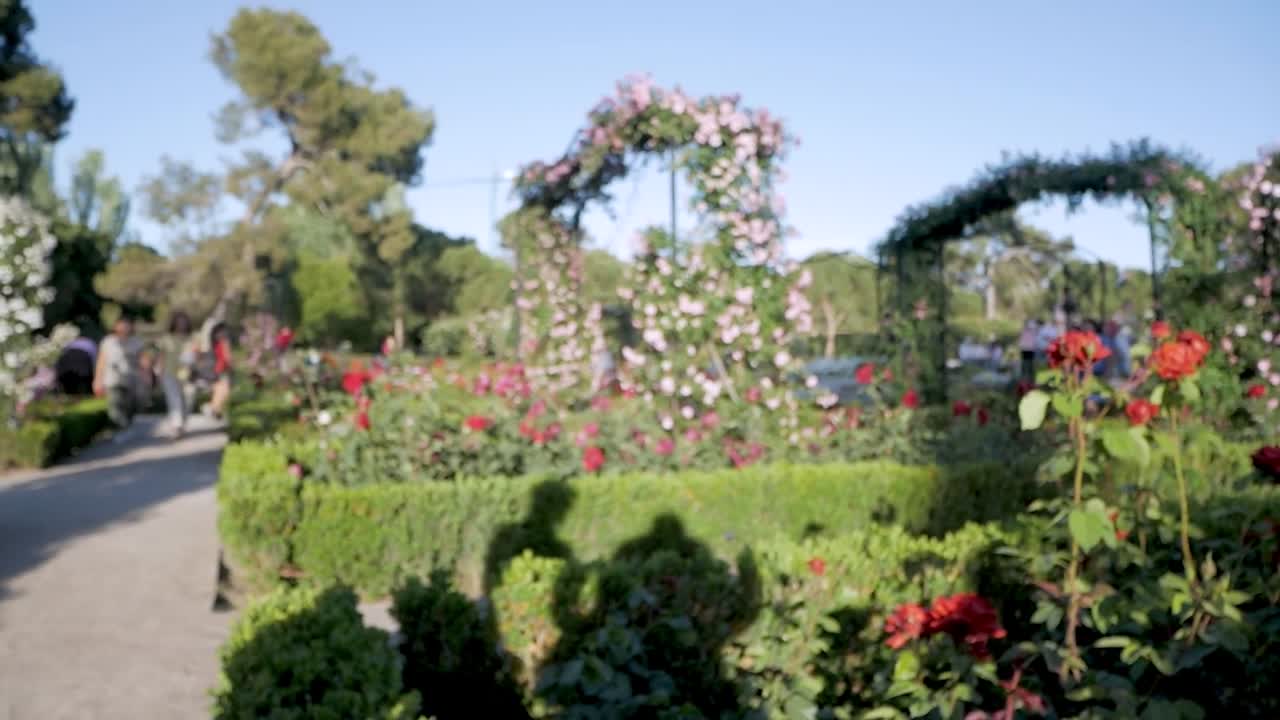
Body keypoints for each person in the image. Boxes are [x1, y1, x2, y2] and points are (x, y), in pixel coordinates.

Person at [94, 316, 139, 439]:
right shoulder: (108, 341)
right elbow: (101, 361)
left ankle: (126, 430)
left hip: (131, 379)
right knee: (114, 408)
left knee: (129, 407)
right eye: (121, 324)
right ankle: (124, 428)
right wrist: (98, 380)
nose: (124, 327)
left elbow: (143, 361)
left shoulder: (135, 342)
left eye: (126, 324)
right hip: (112, 379)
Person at [157, 312, 194, 438]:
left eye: (183, 321)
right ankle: (176, 425)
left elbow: (198, 355)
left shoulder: (192, 338)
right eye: (179, 321)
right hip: (170, 373)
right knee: (174, 399)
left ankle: (182, 423)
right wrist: (159, 372)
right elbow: (161, 356)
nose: (181, 324)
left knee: (188, 399)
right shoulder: (167, 338)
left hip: (188, 374)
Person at [207, 323, 233, 420]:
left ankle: (215, 409)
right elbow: (228, 358)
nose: (221, 334)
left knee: (219, 391)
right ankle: (216, 409)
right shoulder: (224, 343)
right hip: (222, 370)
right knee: (224, 391)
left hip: (217, 371)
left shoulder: (216, 344)